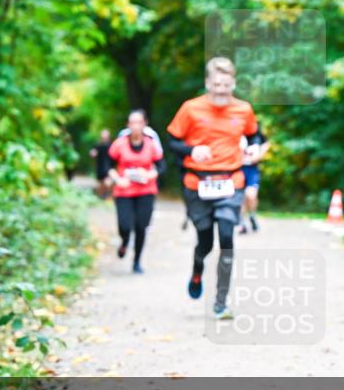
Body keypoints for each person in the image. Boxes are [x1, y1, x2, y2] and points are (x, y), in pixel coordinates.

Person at [167, 57, 262, 320]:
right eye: (217, 85)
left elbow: (253, 134)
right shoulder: (190, 109)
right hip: (197, 183)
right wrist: (191, 150)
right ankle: (197, 269)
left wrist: (254, 146)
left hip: (231, 181)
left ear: (234, 84)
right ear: (208, 83)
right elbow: (172, 141)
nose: (221, 91)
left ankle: (221, 301)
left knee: (227, 238)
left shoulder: (243, 109)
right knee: (206, 241)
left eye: (226, 86)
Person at [108, 110, 165, 274]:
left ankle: (137, 262)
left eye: (139, 122)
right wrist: (117, 179)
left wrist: (149, 174)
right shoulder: (119, 144)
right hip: (124, 191)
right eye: (132, 122)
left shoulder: (151, 144)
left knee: (141, 227)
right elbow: (108, 166)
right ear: (128, 125)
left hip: (146, 191)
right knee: (124, 226)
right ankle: (125, 242)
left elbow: (161, 167)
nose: (136, 126)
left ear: (145, 124)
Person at [238, 125, 270, 234]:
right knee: (240, 197)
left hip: (251, 169)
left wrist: (259, 156)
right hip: (237, 169)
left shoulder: (255, 130)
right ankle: (242, 222)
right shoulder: (234, 129)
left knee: (251, 195)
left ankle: (252, 216)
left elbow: (266, 143)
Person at [90, 129, 113, 199]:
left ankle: (108, 196)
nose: (104, 136)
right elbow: (93, 153)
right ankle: (101, 196)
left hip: (109, 165)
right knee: (101, 183)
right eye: (103, 134)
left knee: (108, 182)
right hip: (100, 166)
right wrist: (93, 153)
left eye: (106, 134)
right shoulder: (98, 145)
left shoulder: (112, 145)